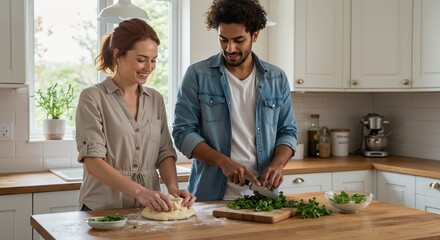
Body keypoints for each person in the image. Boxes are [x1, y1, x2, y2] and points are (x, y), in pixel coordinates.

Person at [172, 0, 298, 201]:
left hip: (262, 198)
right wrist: (223, 162)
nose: (230, 48)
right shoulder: (197, 75)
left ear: (254, 35)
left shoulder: (276, 78)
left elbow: (288, 132)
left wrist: (278, 164)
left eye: (239, 40)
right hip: (210, 196)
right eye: (223, 40)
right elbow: (182, 133)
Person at [75, 18, 196, 211]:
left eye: (153, 60)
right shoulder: (93, 98)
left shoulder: (155, 99)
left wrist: (173, 188)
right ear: (118, 55)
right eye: (141, 59)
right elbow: (93, 162)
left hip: (147, 210)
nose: (149, 68)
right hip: (102, 209)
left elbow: (164, 152)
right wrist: (141, 192)